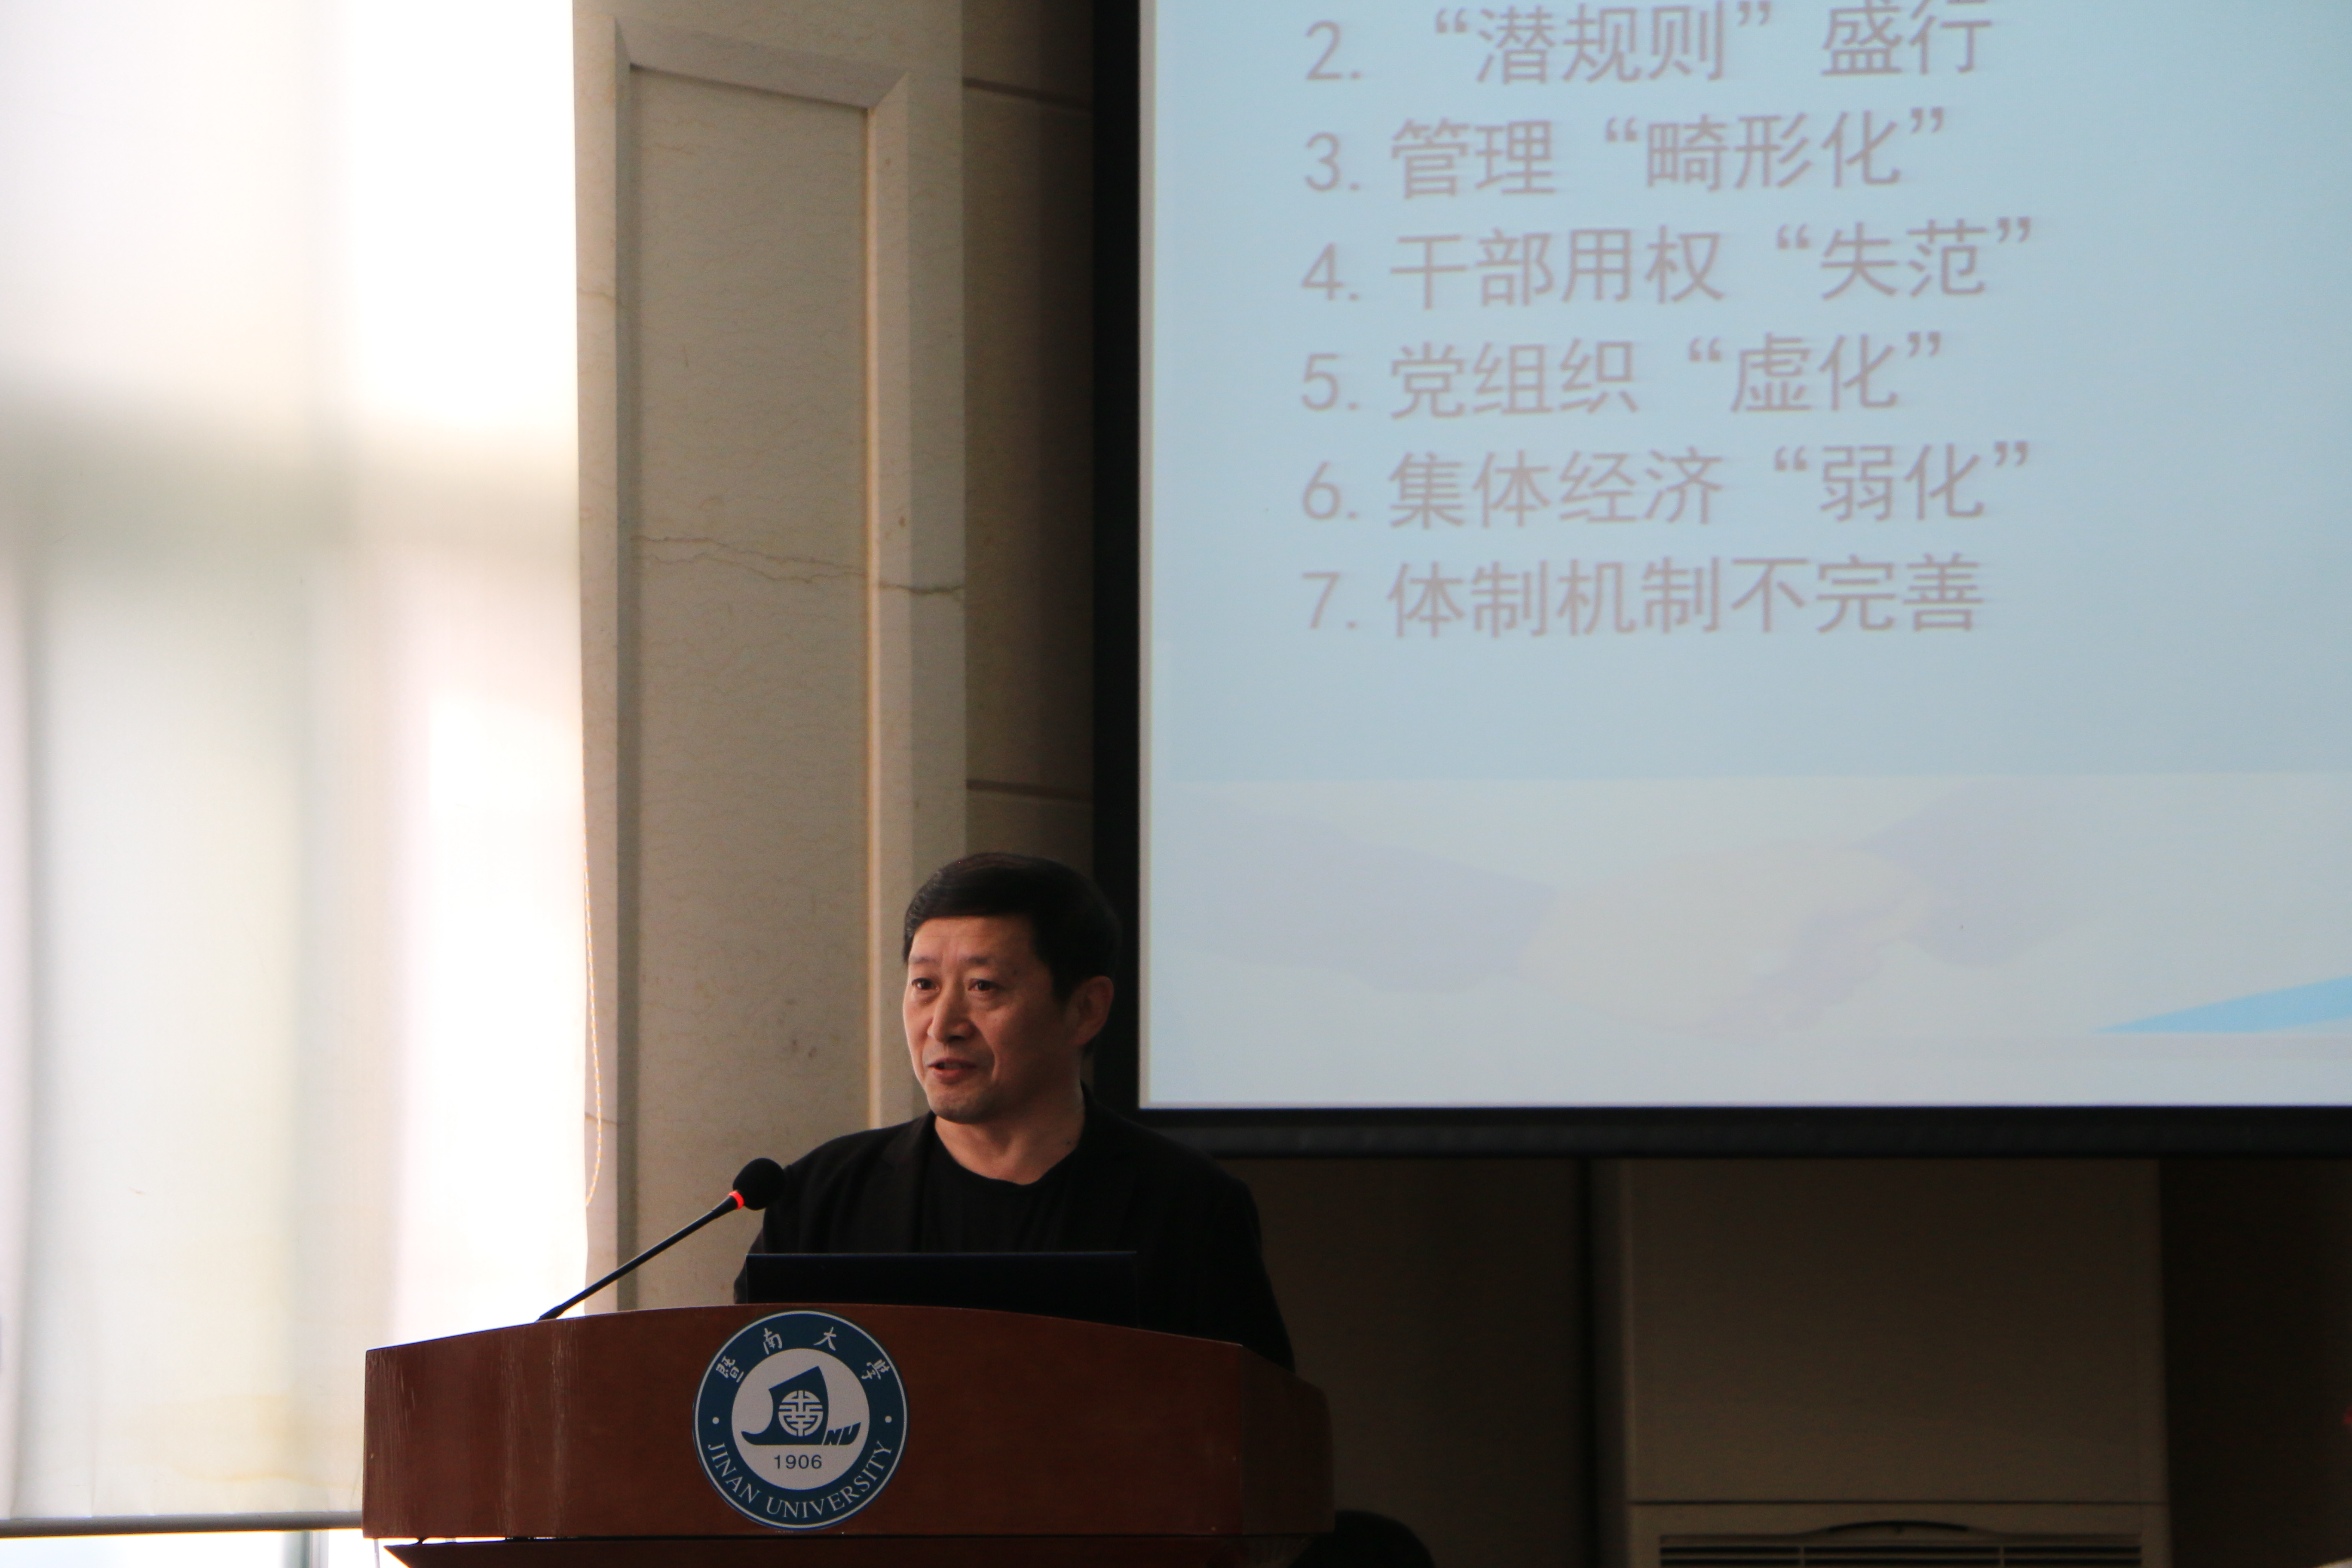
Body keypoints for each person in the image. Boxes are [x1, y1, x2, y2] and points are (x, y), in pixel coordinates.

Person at [733, 851, 1294, 1370]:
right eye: (924, 985)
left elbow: (1254, 1426)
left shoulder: (1188, 1207)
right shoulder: (819, 1199)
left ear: (1085, 1009)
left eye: (983, 987)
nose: (942, 1025)